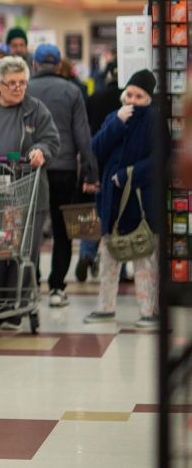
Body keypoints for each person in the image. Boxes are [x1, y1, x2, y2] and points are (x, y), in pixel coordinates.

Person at [0, 56, 60, 331]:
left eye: (22, 83)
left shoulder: (35, 109)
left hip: (27, 191)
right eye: (11, 83)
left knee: (22, 250)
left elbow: (51, 140)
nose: (18, 88)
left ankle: (14, 309)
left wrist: (42, 152)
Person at [84, 70, 160, 329]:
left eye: (139, 96)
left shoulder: (154, 121)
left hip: (141, 202)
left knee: (145, 255)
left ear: (148, 99)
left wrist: (130, 175)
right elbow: (95, 149)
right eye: (129, 94)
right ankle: (105, 308)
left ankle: (149, 311)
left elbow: (160, 160)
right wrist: (116, 122)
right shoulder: (113, 118)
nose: (133, 100)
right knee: (109, 255)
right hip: (111, 201)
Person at [27, 44, 99, 308]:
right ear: (59, 65)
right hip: (65, 169)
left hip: (31, 170)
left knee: (29, 230)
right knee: (62, 231)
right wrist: (90, 172)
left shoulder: (25, 89)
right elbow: (83, 135)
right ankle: (57, 287)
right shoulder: (72, 91)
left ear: (34, 64)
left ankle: (31, 283)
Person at [78, 61, 123, 280]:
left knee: (96, 212)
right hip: (120, 165)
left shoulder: (95, 97)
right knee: (119, 216)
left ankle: (86, 253)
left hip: (96, 160)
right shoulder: (128, 100)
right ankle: (121, 269)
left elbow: (85, 128)